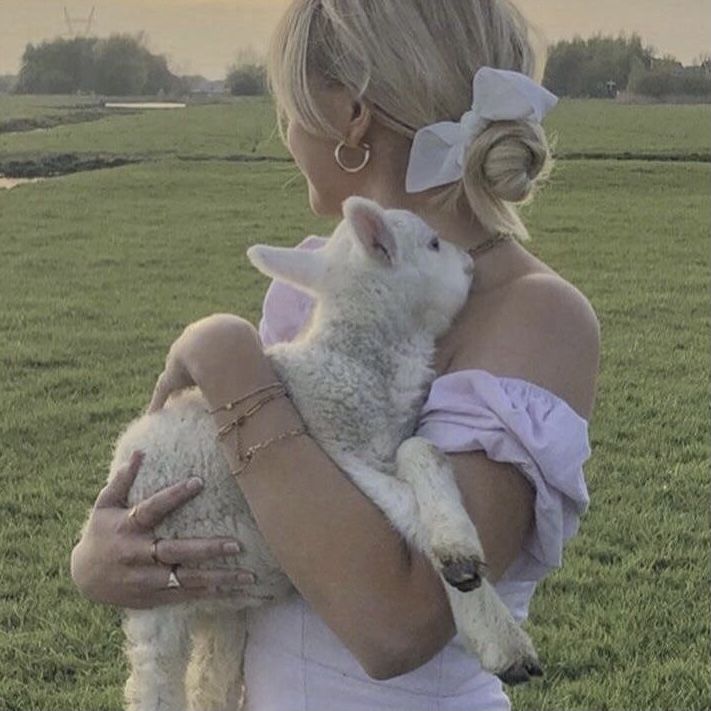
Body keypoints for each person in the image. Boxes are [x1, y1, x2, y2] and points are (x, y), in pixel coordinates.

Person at [71, 1, 600, 708]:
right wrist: (112, 559)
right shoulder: (315, 292)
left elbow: (395, 623)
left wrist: (227, 358)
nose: (287, 137)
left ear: (349, 114)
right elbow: (267, 523)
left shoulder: (536, 315)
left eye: (287, 109)